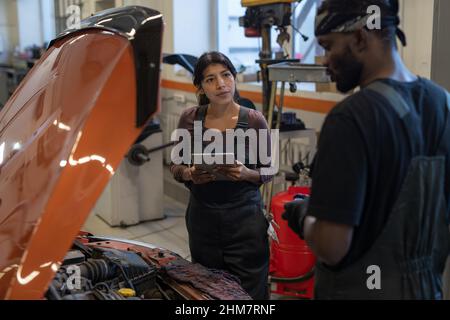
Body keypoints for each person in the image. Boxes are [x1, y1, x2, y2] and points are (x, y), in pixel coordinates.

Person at [282, 0, 450, 299]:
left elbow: (331, 247)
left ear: (360, 37)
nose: (324, 60)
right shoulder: (443, 104)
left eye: (329, 45)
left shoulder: (350, 118)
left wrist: (303, 215)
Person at [170, 51, 273, 300]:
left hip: (245, 221)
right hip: (202, 218)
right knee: (206, 289)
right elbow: (175, 166)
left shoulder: (254, 120)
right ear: (201, 87)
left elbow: (269, 170)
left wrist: (248, 173)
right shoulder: (190, 118)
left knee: (250, 292)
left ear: (234, 78)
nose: (221, 84)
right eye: (210, 79)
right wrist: (190, 173)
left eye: (226, 75)